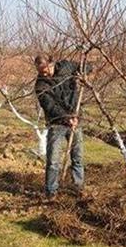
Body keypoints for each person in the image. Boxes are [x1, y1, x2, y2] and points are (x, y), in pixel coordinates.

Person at [34, 55, 91, 198]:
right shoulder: (41, 85)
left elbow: (86, 66)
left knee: (77, 157)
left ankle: (78, 187)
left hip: (76, 117)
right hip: (56, 123)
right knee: (53, 160)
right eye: (40, 71)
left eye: (45, 70)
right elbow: (50, 106)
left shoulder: (66, 67)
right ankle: (51, 191)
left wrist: (83, 73)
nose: (43, 74)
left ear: (51, 64)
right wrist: (67, 118)